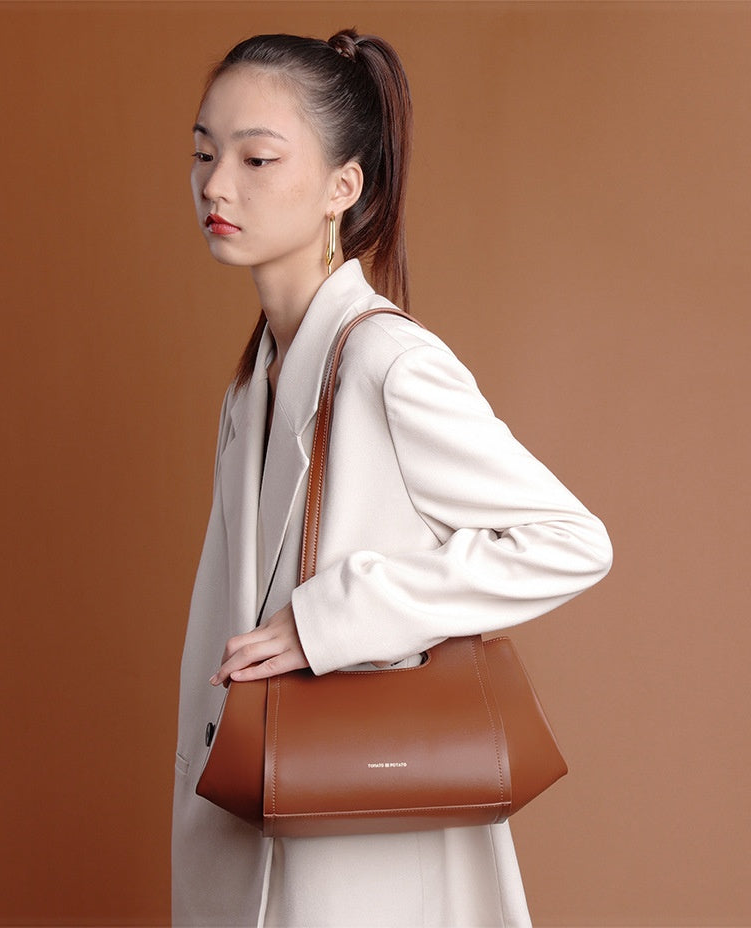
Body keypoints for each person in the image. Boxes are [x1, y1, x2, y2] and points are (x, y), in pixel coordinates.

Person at [172, 29, 612, 928]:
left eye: (257, 159)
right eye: (205, 153)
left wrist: (335, 618)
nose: (216, 186)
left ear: (345, 186)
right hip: (254, 814)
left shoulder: (386, 363)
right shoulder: (254, 384)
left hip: (363, 831)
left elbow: (572, 542)